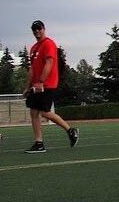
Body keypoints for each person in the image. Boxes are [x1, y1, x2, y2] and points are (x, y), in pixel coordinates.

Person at [24, 20, 78, 153]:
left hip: (47, 84)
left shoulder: (48, 44)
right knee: (33, 112)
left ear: (44, 29)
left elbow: (49, 64)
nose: (36, 31)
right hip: (36, 85)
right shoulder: (33, 48)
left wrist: (41, 81)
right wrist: (27, 86)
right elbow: (32, 69)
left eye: (39, 28)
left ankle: (70, 130)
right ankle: (39, 143)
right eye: (34, 29)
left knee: (45, 112)